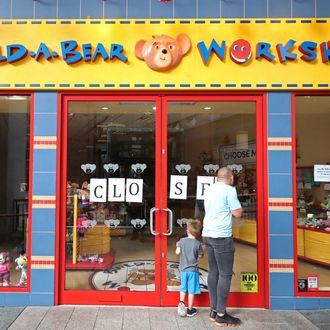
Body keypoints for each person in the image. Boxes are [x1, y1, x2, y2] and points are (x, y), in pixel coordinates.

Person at [202, 166, 243, 327]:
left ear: (217, 177)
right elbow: (237, 213)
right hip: (222, 236)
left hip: (208, 234)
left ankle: (213, 311)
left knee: (213, 271)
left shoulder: (210, 189)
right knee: (225, 274)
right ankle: (221, 314)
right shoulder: (229, 190)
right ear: (231, 178)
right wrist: (241, 208)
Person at [176, 219, 203, 318]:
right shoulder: (197, 243)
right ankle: (190, 310)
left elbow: (177, 252)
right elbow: (200, 256)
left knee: (183, 288)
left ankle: (181, 303)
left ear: (187, 230)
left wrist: (179, 247)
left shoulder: (182, 241)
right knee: (191, 291)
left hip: (183, 270)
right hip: (193, 271)